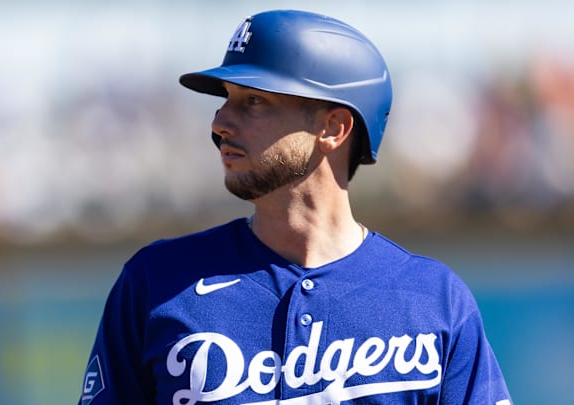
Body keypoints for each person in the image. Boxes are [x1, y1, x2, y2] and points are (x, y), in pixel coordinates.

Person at [77, 9, 512, 405]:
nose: (220, 122)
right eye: (224, 98)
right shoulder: (157, 283)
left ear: (334, 127)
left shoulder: (434, 300)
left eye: (254, 101)